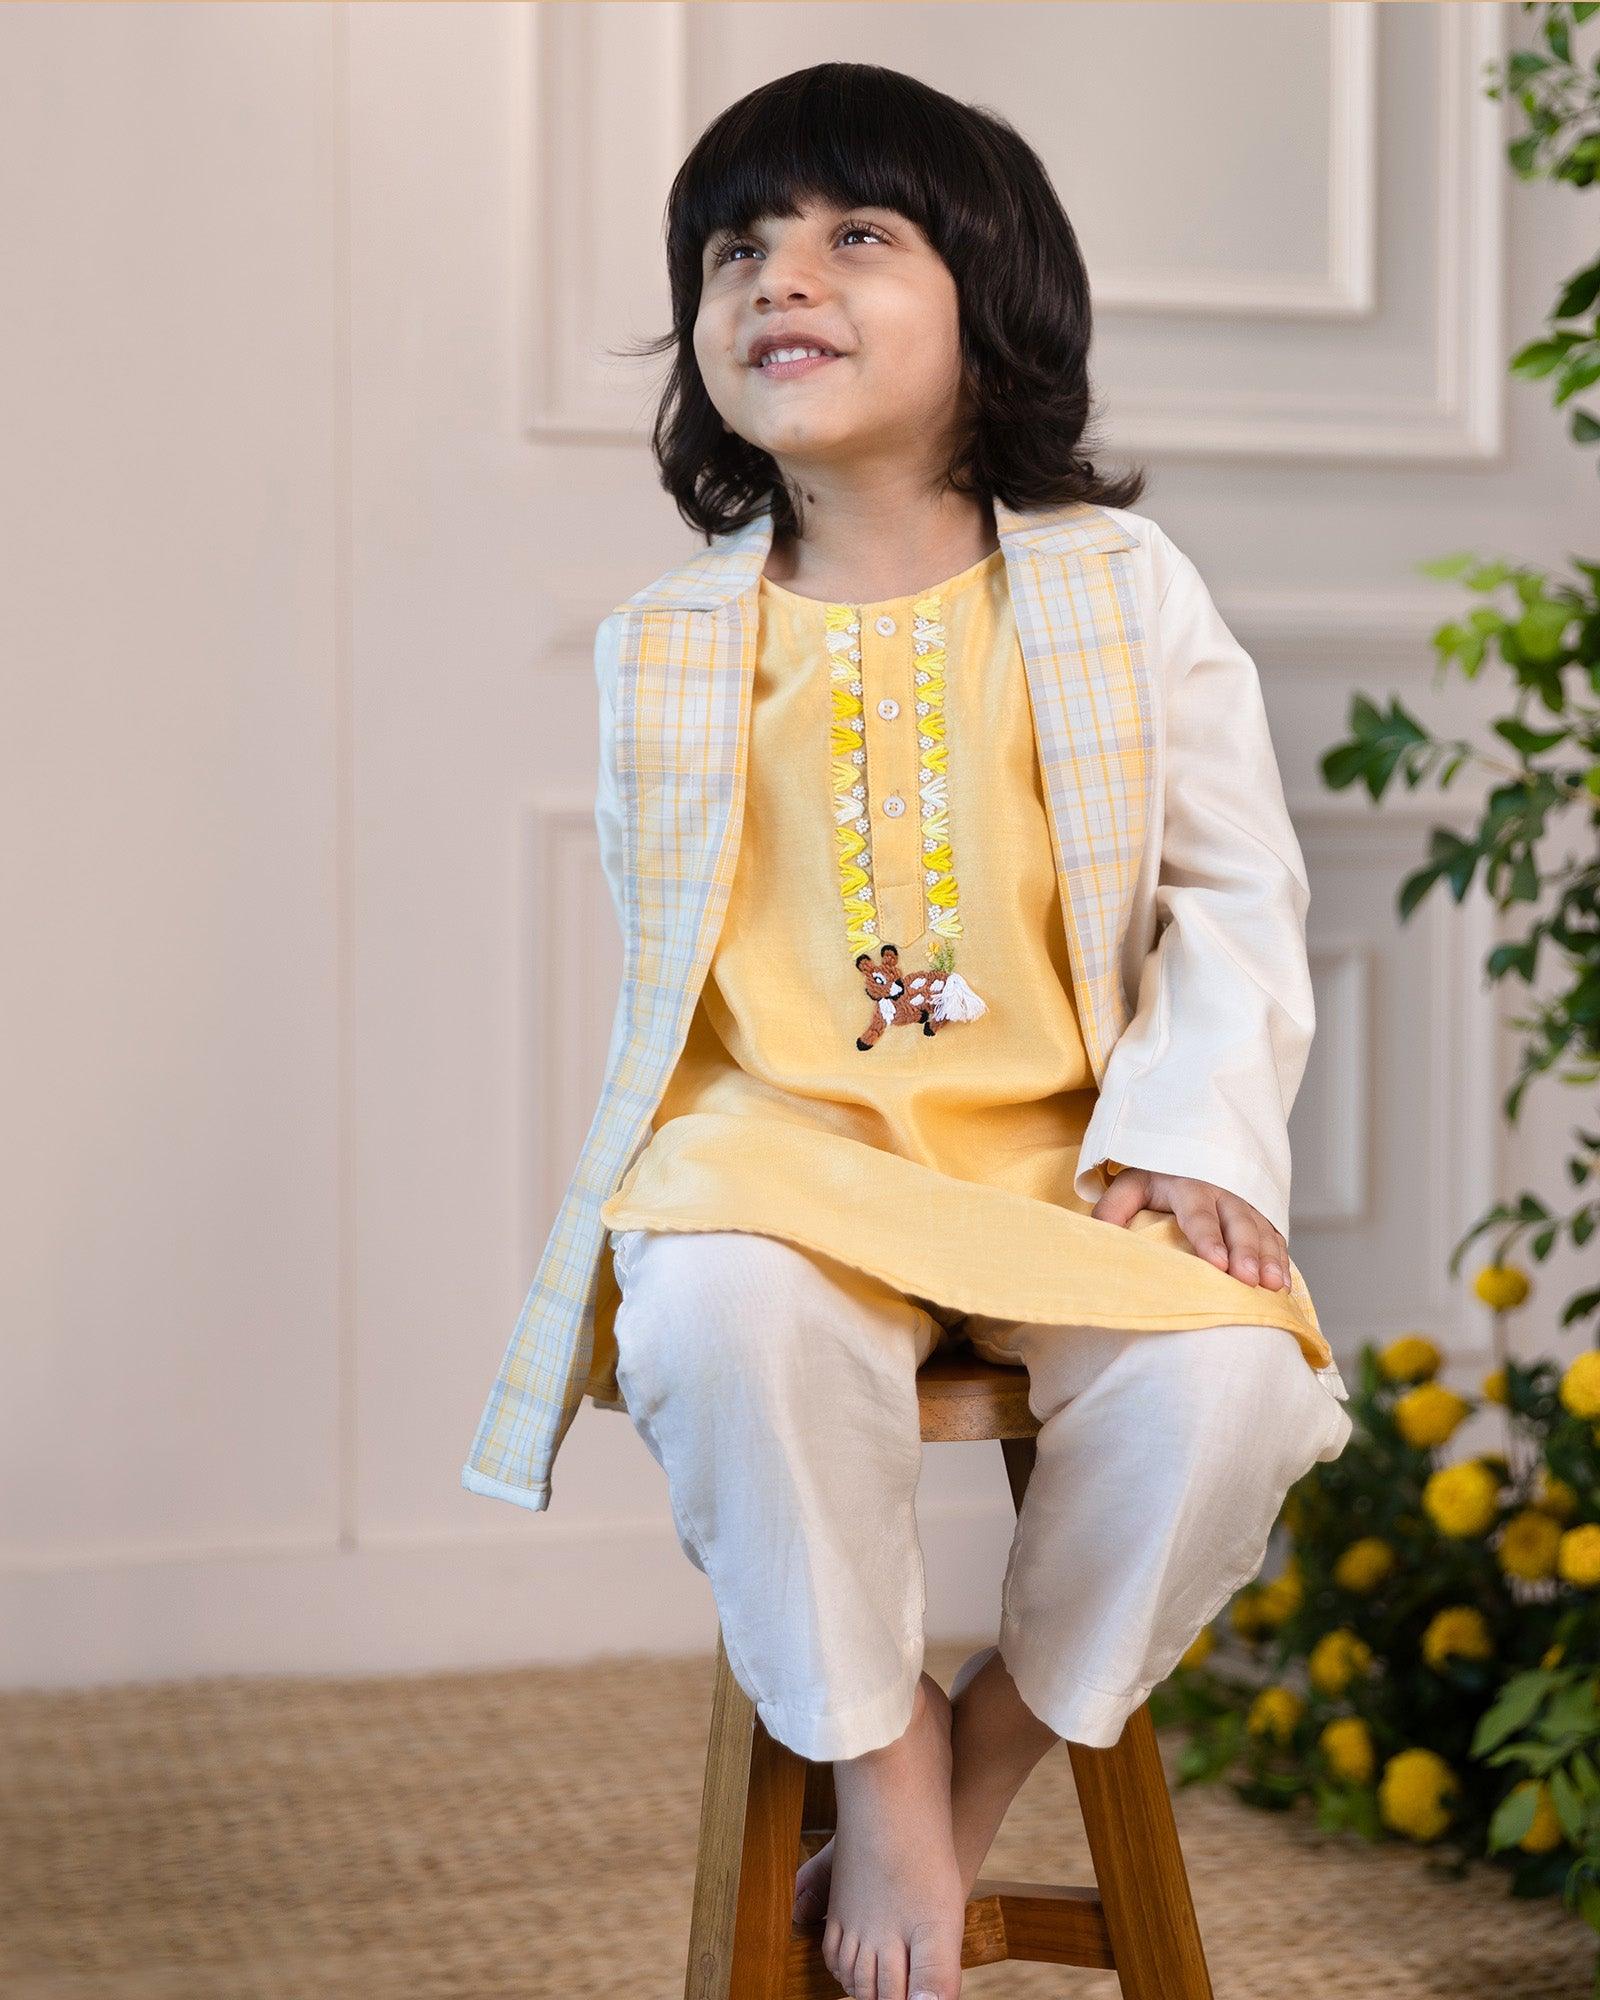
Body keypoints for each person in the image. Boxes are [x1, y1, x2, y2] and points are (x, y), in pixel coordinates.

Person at [463, 61, 1353, 2000]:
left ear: (991, 296)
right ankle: (871, 1770)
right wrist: (696, 1181)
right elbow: (681, 977)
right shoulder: (670, 645)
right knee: (716, 1309)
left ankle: (974, 1749)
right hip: (783, 1153)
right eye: (734, 249)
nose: (779, 275)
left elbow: (1229, 895)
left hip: (1059, 1158)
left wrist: (1189, 1142)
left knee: (1237, 1391)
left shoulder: (1123, 594)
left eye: (853, 233)